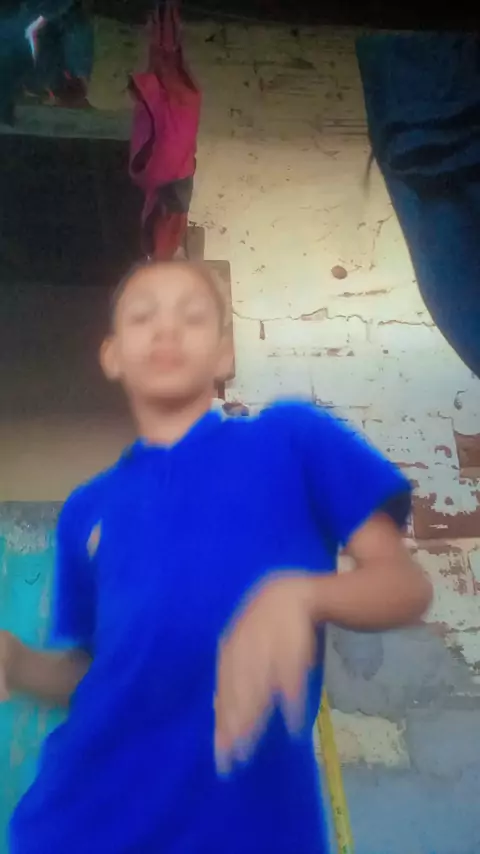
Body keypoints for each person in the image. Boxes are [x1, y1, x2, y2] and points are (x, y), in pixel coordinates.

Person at [0, 259, 432, 854]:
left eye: (193, 316)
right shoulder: (86, 509)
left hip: (247, 827)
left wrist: (302, 594)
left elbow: (406, 585)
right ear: (112, 355)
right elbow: (93, 673)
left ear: (225, 354)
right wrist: (17, 662)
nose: (167, 329)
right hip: (76, 825)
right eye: (143, 317)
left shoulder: (292, 439)